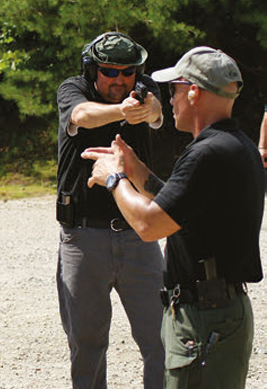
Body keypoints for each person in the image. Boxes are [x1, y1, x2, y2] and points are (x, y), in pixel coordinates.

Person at [82, 46, 263, 389]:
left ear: (193, 92)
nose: (170, 100)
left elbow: (150, 225)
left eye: (174, 90)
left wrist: (113, 178)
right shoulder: (235, 145)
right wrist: (136, 170)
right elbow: (183, 208)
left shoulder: (206, 153)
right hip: (217, 314)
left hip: (204, 319)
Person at [55, 32, 165, 389]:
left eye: (128, 72)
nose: (120, 80)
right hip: (83, 234)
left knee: (161, 339)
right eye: (109, 71)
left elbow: (155, 110)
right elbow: (82, 116)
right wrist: (123, 111)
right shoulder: (73, 89)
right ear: (91, 70)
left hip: (138, 233)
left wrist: (148, 108)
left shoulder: (145, 89)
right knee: (86, 346)